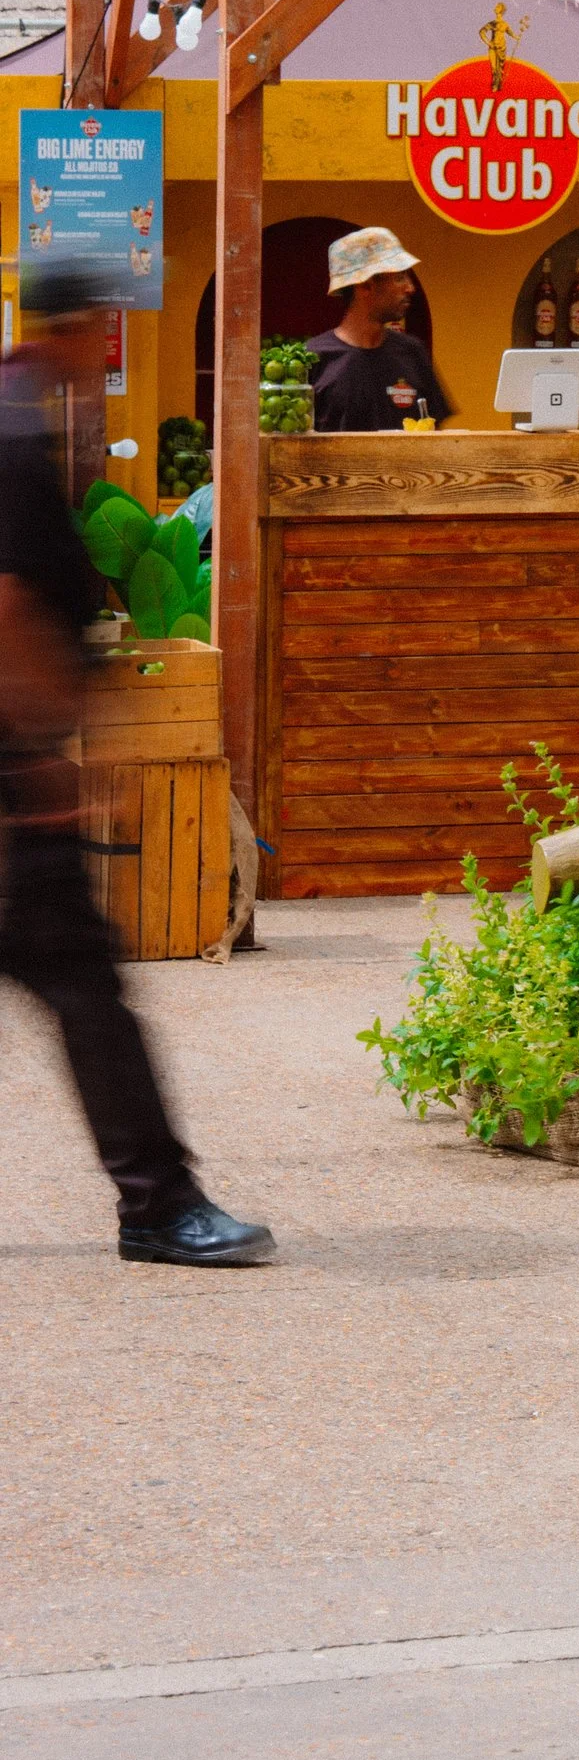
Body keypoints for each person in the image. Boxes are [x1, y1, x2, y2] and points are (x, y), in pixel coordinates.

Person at [0, 263, 272, 1266]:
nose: (106, 349)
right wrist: (40, 764)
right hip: (14, 775)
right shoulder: (18, 433)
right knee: (85, 985)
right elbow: (9, 607)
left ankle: (159, 1199)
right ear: (78, 327)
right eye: (104, 329)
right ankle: (158, 1205)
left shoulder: (20, 415)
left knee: (80, 988)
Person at [309, 228, 454, 434]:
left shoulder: (412, 352)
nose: (410, 288)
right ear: (366, 285)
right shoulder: (314, 359)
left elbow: (436, 436)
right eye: (399, 278)